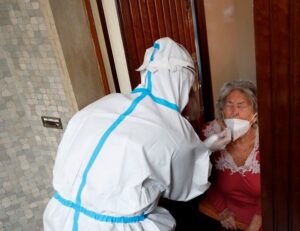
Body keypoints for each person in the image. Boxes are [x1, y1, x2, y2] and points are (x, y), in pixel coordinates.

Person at [43, 37, 231, 231]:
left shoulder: (99, 106)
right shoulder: (173, 129)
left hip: (59, 218)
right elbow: (186, 186)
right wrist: (205, 150)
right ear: (183, 82)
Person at [199, 80, 261, 231]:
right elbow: (201, 176)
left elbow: (275, 188)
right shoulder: (208, 134)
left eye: (241, 105)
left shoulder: (269, 137)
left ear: (255, 112)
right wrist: (222, 210)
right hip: (224, 212)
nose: (234, 112)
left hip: (262, 213)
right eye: (229, 104)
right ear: (221, 109)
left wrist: (255, 224)